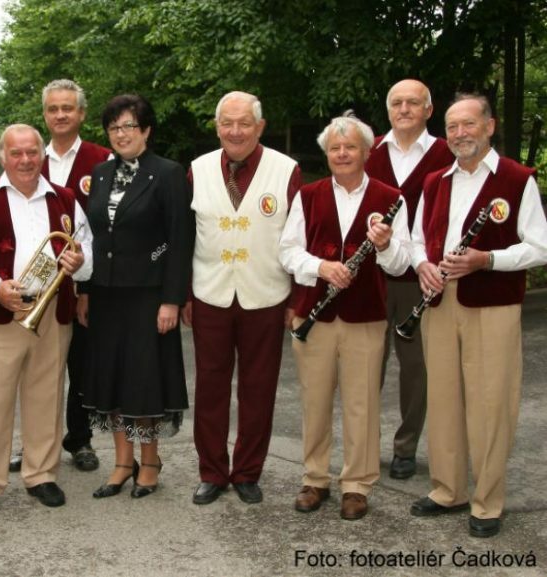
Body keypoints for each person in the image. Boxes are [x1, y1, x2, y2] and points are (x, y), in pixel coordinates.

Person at [408, 94, 547, 538]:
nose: (460, 133)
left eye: (469, 124)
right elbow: (414, 240)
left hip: (493, 305)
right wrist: (423, 265)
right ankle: (448, 490)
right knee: (445, 401)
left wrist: (487, 260)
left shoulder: (516, 178)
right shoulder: (434, 181)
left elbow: (540, 247)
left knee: (491, 404)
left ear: (490, 126)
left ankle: (488, 501)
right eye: (452, 127)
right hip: (440, 301)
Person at [0, 124, 91, 521]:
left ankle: (41, 474)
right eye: (17, 153)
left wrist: (81, 263)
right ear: (3, 156)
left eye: (32, 152)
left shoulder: (64, 198)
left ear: (41, 154)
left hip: (52, 314)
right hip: (0, 313)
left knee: (46, 397)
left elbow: (87, 248)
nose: (26, 160)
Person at [279, 112, 410, 520]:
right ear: (327, 153)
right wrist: (320, 267)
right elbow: (287, 251)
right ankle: (315, 478)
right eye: (335, 148)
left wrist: (386, 246)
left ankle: (357, 484)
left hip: (365, 317)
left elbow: (401, 263)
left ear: (367, 152)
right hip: (313, 317)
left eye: (350, 146)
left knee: (361, 403)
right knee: (315, 401)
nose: (342, 153)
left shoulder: (392, 198)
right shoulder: (308, 195)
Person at [184, 91, 302, 506]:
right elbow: (184, 238)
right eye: (227, 123)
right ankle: (212, 472)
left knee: (259, 388)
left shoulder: (286, 170)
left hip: (266, 294)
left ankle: (248, 471)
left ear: (260, 127)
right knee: (210, 389)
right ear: (217, 127)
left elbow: (298, 240)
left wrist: (297, 301)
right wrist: (184, 295)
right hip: (210, 294)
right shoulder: (197, 170)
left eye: (244, 123)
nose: (235, 131)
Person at [81, 94, 193, 499]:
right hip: (106, 295)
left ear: (146, 130)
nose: (121, 134)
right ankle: (122, 462)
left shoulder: (167, 173)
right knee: (112, 381)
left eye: (129, 126)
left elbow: (176, 241)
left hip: (148, 297)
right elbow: (92, 236)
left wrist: (170, 298)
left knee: (144, 383)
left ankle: (150, 461)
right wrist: (85, 290)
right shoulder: (100, 172)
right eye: (114, 127)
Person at [8, 79, 111, 474]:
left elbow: (101, 230)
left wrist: (86, 288)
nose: (61, 115)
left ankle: (79, 439)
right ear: (45, 115)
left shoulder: (102, 160)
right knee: (33, 372)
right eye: (53, 109)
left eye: (68, 108)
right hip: (34, 288)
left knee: (81, 367)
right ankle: (32, 442)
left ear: (82, 114)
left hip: (83, 283)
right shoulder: (30, 157)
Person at [364, 79, 455, 480]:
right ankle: (364, 445)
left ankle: (405, 447)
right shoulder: (368, 151)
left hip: (419, 277)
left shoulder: (445, 153)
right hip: (371, 276)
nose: (404, 109)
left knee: (415, 368)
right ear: (388, 111)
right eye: (397, 103)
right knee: (366, 363)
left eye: (413, 103)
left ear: (428, 110)